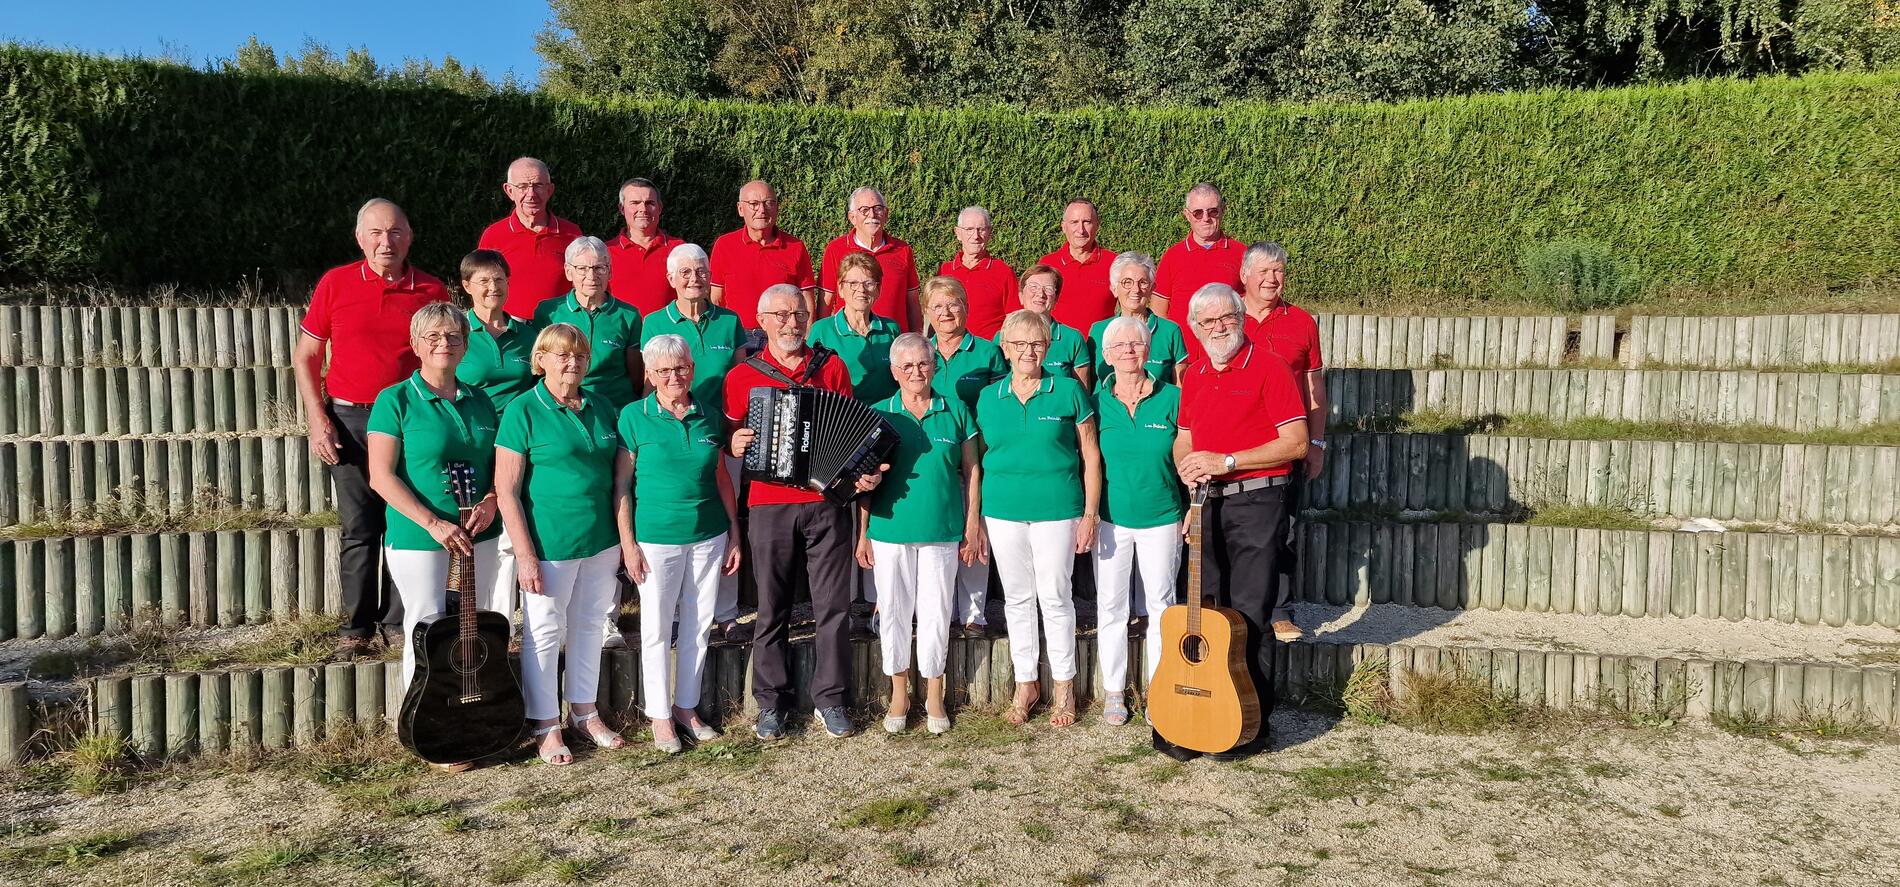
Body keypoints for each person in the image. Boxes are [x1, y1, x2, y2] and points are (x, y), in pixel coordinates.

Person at [725, 284, 884, 741]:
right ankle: (771, 704)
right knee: (771, 607)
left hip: (824, 502)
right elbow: (731, 437)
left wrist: (861, 474)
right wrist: (735, 444)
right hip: (769, 504)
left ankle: (831, 699)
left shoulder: (830, 366)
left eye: (798, 314)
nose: (791, 323)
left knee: (832, 606)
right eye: (780, 315)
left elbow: (851, 429)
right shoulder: (743, 375)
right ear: (762, 319)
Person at [1160, 283, 1310, 761]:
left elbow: (1297, 442)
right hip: (1205, 502)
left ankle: (1250, 724)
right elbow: (1185, 439)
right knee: (1204, 610)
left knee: (1249, 614)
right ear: (1195, 328)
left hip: (1257, 500)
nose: (1219, 327)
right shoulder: (1196, 373)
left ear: (1241, 316)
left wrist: (1226, 461)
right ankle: (1197, 717)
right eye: (1207, 322)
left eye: (1226, 317)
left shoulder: (1270, 367)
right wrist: (1185, 465)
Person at [295, 198, 449, 660]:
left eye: (396, 231)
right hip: (351, 418)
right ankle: (356, 625)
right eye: (376, 233)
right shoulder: (336, 283)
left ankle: (400, 620)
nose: (387, 241)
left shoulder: (431, 289)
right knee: (360, 526)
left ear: (410, 236)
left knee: (406, 519)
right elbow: (306, 356)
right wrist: (317, 417)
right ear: (360, 238)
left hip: (410, 419)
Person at [494, 323, 629, 765]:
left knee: (590, 626)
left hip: (601, 540)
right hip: (549, 544)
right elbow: (507, 490)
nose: (573, 363)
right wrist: (525, 554)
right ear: (541, 360)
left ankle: (585, 712)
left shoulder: (603, 406)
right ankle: (545, 724)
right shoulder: (522, 411)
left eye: (580, 356)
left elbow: (618, 480)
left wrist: (624, 538)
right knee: (544, 634)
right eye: (562, 355)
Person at [365, 304, 506, 714]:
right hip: (419, 535)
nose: (444, 343)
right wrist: (433, 523)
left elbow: (498, 465)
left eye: (454, 337)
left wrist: (493, 499)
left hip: (479, 532)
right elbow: (380, 475)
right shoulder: (396, 400)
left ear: (465, 346)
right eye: (434, 337)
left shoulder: (480, 401)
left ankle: (471, 714)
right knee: (426, 625)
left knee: (474, 625)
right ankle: (422, 720)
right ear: (416, 345)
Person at [613, 334, 741, 753]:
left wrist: (734, 532)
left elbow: (722, 475)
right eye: (664, 370)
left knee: (699, 623)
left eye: (681, 367)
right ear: (648, 374)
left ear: (692, 368)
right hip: (656, 539)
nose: (674, 376)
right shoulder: (633, 416)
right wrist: (628, 545)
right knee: (655, 628)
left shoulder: (707, 413)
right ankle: (660, 716)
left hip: (708, 534)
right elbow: (621, 487)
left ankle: (687, 707)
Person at [975, 309, 1101, 728]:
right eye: (1020, 344)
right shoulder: (987, 398)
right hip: (1003, 510)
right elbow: (978, 460)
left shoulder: (1067, 390)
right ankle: (1026, 682)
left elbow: (1090, 454)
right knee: (1016, 598)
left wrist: (1090, 512)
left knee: (1055, 595)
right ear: (1006, 350)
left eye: (1037, 344)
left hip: (1058, 509)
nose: (1029, 351)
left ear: (1047, 348)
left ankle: (1064, 684)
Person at [855, 333, 981, 735]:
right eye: (906, 366)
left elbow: (972, 471)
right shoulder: (878, 413)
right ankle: (898, 691)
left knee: (937, 610)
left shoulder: (955, 409)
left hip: (942, 527)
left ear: (934, 366)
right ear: (894, 371)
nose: (915, 372)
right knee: (892, 608)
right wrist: (862, 534)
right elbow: (862, 480)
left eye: (923, 364)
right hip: (890, 528)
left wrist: (972, 523)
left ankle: (934, 693)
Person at [640, 244, 751, 639]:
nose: (694, 278)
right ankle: (670, 614)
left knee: (724, 515)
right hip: (673, 434)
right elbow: (646, 383)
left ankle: (725, 611)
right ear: (671, 279)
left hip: (719, 435)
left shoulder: (730, 320)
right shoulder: (653, 322)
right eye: (685, 272)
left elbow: (741, 381)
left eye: (701, 270)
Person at [1089, 316, 1186, 727]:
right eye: (1120, 346)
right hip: (1111, 519)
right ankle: (1114, 691)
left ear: (1149, 350)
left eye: (1137, 344)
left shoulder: (1173, 398)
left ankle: (1159, 689)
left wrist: (1191, 510)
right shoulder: (1094, 401)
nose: (1130, 351)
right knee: (1111, 606)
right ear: (1107, 356)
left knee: (1161, 606)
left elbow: (1188, 456)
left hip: (1163, 515)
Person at [1239, 242, 1327, 641]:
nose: (1272, 279)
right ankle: (1232, 608)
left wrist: (1317, 443)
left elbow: (1314, 390)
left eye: (1278, 271)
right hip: (1235, 443)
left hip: (1285, 445)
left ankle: (1280, 610)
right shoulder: (1225, 317)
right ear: (1245, 276)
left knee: (1284, 530)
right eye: (1263, 272)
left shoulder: (1302, 322)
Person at [922, 277, 1005, 634]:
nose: (946, 312)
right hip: (930, 463)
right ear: (926, 312)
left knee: (975, 533)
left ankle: (973, 613)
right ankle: (933, 612)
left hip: (976, 458)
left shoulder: (987, 352)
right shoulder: (918, 352)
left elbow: (999, 407)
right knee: (933, 536)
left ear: (966, 309)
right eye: (937, 306)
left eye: (954, 304)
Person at [534, 236, 644, 411]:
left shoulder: (628, 315)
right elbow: (539, 367)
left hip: (614, 409)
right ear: (568, 272)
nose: (591, 276)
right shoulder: (548, 312)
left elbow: (636, 377)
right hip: (561, 408)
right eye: (582, 269)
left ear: (610, 271)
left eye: (599, 268)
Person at [478, 157, 581, 321]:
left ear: (550, 190)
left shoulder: (572, 234)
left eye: (538, 185)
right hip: (509, 329)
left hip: (558, 328)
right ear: (509, 191)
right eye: (523, 186)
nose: (531, 194)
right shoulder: (493, 235)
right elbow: (480, 286)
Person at [710, 180, 816, 325]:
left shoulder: (795, 247)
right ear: (740, 209)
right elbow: (716, 299)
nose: (762, 210)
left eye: (769, 203)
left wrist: (806, 341)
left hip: (782, 334)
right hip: (737, 336)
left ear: (777, 207)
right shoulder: (724, 245)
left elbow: (807, 301)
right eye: (754, 204)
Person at [819, 187, 921, 332]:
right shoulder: (835, 249)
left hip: (894, 343)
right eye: (864, 210)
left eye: (878, 208)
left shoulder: (903, 250)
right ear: (852, 217)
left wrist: (916, 337)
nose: (872, 215)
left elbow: (912, 302)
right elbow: (825, 302)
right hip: (850, 342)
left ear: (885, 214)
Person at [809, 252, 901, 406]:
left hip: (887, 419)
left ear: (878, 289)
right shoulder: (822, 330)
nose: (862, 290)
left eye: (869, 283)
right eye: (853, 283)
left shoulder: (891, 329)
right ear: (841, 288)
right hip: (843, 417)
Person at [1088, 251, 1188, 384]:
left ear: (1152, 288)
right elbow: (1089, 386)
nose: (1136, 289)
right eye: (1127, 282)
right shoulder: (1098, 331)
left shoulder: (1170, 331)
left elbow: (1180, 389)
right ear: (1114, 289)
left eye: (1143, 282)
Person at [1153, 183, 1244, 319]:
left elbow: (1254, 303)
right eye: (1198, 213)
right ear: (1187, 215)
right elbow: (1158, 308)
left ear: (1223, 210)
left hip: (1228, 338)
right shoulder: (1173, 256)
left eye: (1213, 211)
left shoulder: (1242, 253)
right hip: (1182, 340)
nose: (1206, 218)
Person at [1004, 264, 1093, 389]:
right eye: (1033, 287)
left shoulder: (1073, 339)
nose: (1040, 294)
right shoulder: (1004, 336)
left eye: (1048, 289)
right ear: (1020, 296)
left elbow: (1082, 391)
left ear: (1056, 298)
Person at [606, 177, 685, 315]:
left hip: (665, 334)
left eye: (649, 203)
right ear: (622, 208)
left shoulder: (679, 250)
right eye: (635, 203)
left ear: (659, 208)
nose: (643, 209)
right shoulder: (605, 252)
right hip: (620, 334)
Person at [1037, 198, 1117, 332]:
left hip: (1101, 348)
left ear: (1097, 225)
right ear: (1063, 226)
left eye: (1087, 222)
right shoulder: (1047, 264)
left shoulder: (1114, 263)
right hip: (1058, 347)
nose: (1081, 230)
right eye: (1074, 222)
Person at [936, 206, 1015, 338]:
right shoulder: (945, 271)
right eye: (969, 229)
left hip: (989, 353)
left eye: (981, 229)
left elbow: (1014, 318)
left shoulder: (1004, 272)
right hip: (951, 351)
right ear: (958, 233)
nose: (976, 236)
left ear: (989, 232)